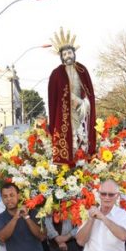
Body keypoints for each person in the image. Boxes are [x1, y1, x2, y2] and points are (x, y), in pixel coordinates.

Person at [48, 28, 96, 166]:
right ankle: (70, 161)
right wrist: (73, 99)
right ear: (61, 57)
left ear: (74, 54)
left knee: (81, 134)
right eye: (64, 54)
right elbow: (53, 99)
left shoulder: (82, 70)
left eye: (69, 52)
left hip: (81, 109)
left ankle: (81, 158)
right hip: (65, 113)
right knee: (71, 136)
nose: (68, 55)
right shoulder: (56, 74)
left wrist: (85, 102)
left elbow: (89, 92)